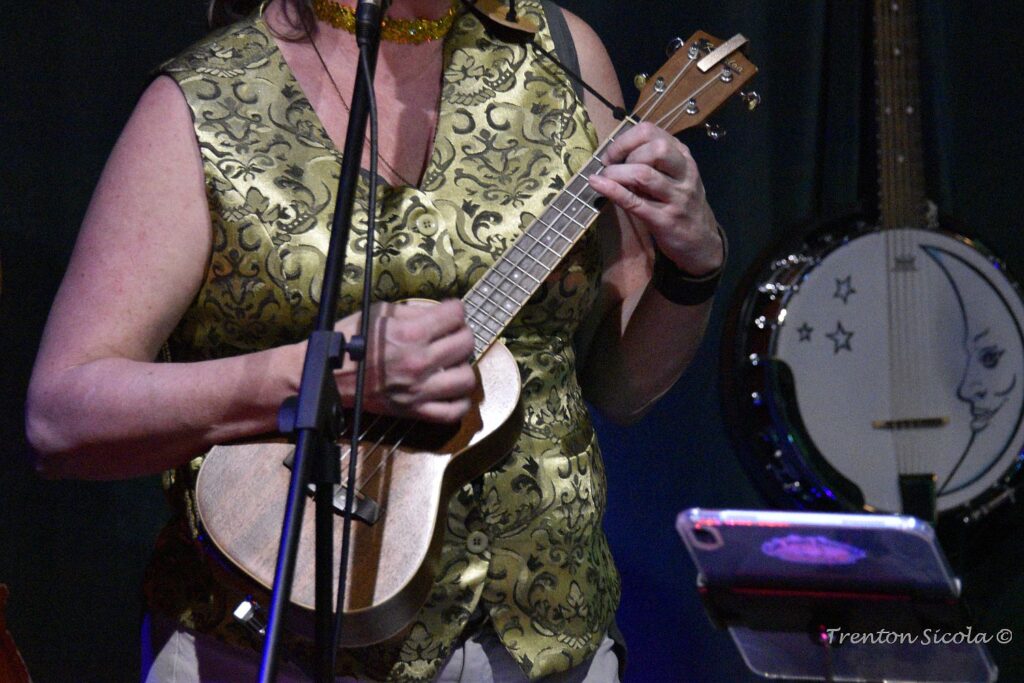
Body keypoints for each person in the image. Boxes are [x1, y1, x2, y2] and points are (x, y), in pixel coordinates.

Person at [25, 0, 725, 680]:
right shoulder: (205, 103)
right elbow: (62, 415)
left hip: (541, 643)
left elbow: (622, 387)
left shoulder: (564, 56)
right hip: (271, 642)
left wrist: (693, 269)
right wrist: (317, 377)